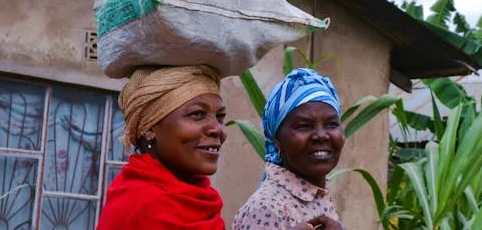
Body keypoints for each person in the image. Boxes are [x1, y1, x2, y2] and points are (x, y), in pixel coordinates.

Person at [97, 65, 227, 230]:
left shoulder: (201, 200)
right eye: (198, 114)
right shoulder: (140, 206)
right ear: (150, 128)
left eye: (220, 117)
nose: (217, 129)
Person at [232, 68, 345, 230]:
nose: (321, 135)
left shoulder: (317, 195)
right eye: (304, 126)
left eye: (331, 124)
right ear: (277, 140)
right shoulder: (268, 208)